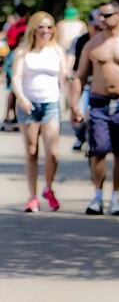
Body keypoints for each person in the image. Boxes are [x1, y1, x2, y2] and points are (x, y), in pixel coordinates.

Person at [70, 0, 119, 216]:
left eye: (106, 15)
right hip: (98, 103)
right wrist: (74, 104)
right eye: (100, 16)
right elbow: (80, 76)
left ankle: (116, 197)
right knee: (98, 151)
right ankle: (97, 196)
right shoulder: (92, 44)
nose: (101, 20)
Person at [11, 11, 68, 212]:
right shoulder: (23, 51)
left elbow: (65, 79)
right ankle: (32, 196)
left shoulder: (57, 51)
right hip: (29, 105)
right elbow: (16, 78)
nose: (46, 31)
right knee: (32, 152)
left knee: (52, 154)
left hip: (50, 104)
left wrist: (74, 105)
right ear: (34, 29)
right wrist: (22, 98)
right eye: (41, 27)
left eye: (49, 27)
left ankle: (49, 188)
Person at [67, 8, 102, 151]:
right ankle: (80, 137)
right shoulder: (80, 40)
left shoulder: (106, 41)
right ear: (89, 24)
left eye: (101, 27)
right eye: (95, 27)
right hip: (83, 82)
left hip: (99, 84)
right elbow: (71, 57)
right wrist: (67, 71)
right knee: (78, 112)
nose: (98, 30)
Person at [2, 3, 31, 132]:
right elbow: (22, 41)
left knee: (12, 89)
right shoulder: (22, 26)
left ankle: (10, 116)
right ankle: (10, 117)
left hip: (11, 55)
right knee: (15, 88)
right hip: (16, 55)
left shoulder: (14, 25)